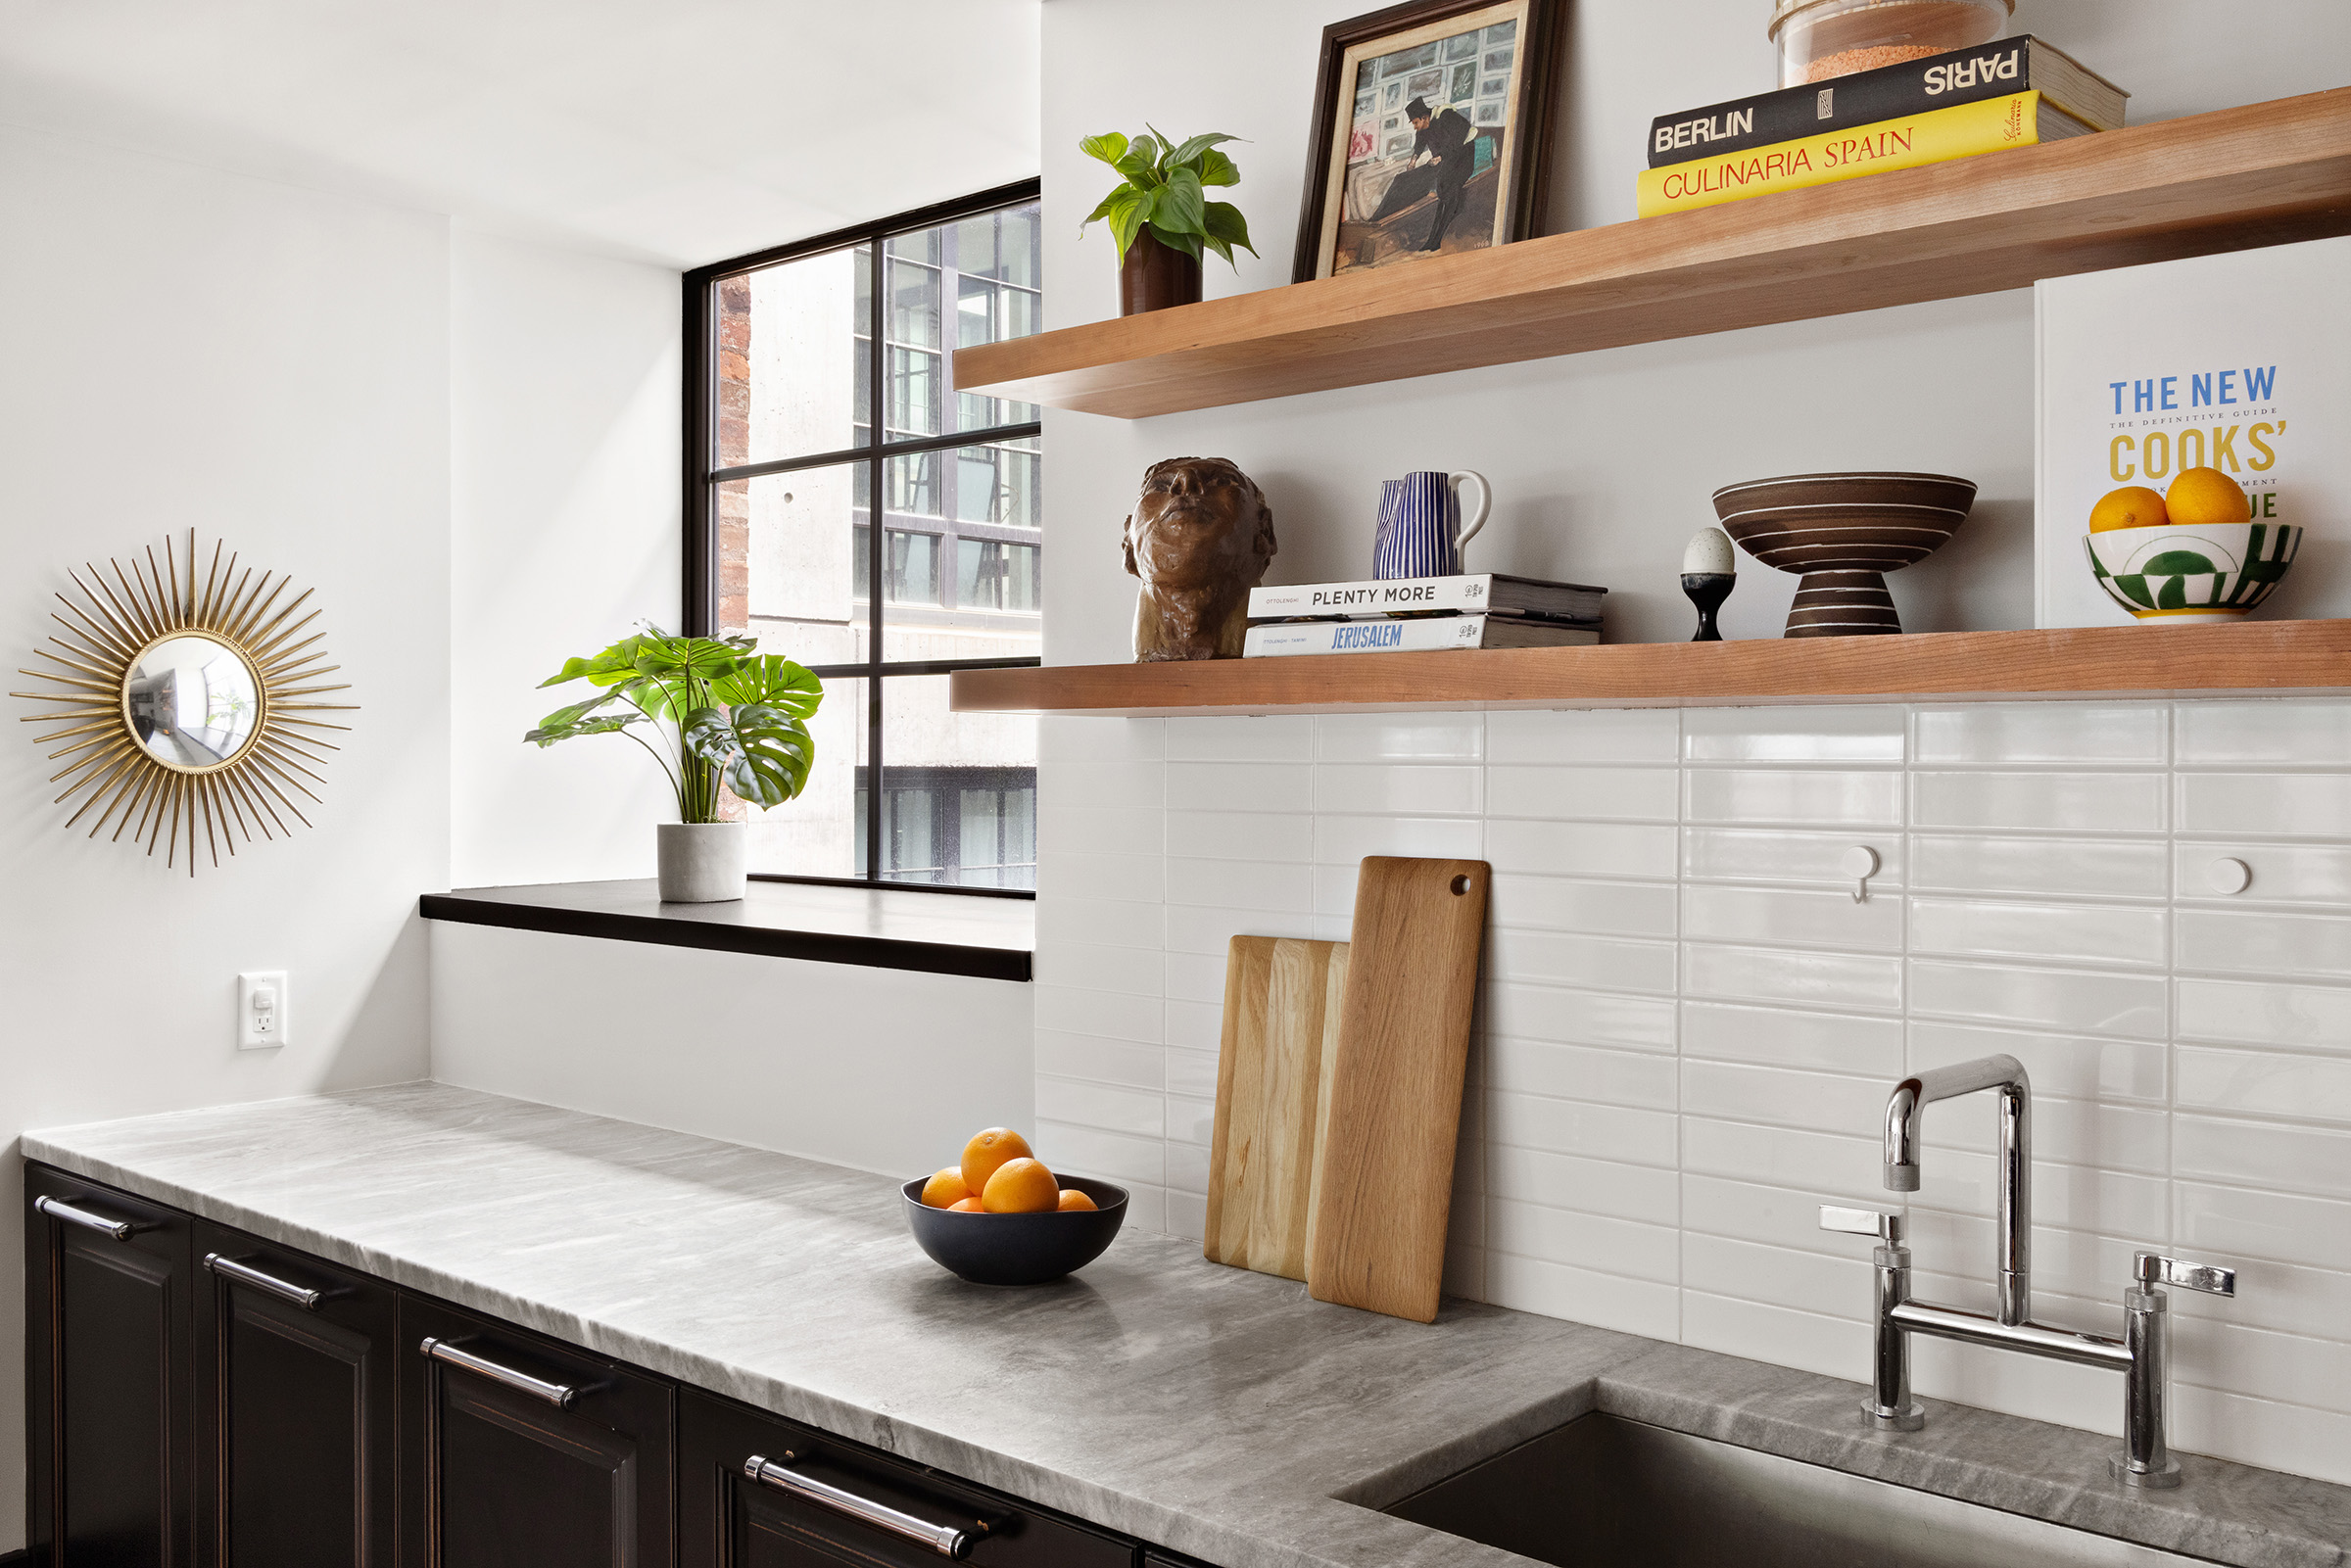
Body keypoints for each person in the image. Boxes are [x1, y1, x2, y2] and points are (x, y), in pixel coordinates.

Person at [1404, 95, 1477, 252]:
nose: (1415, 127)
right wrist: (1413, 159)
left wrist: (1440, 157)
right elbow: (1419, 143)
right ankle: (1432, 240)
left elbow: (1458, 141)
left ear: (1424, 118)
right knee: (1442, 192)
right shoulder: (1424, 128)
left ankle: (1436, 238)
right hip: (1446, 160)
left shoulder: (1447, 117)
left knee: (1449, 192)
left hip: (1462, 157)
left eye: (1416, 122)